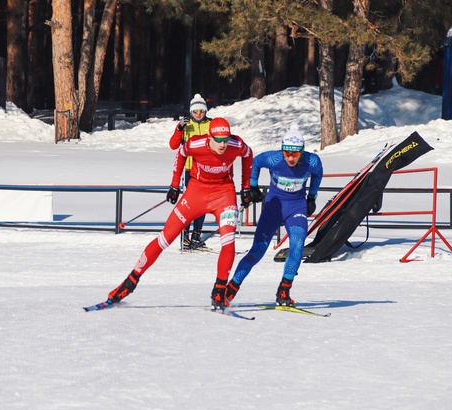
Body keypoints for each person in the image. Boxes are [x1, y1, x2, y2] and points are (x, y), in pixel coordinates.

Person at [107, 117, 254, 308]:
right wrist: (175, 185)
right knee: (165, 238)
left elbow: (248, 155)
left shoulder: (236, 144)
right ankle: (130, 281)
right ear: (209, 136)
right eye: (218, 140)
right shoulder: (196, 144)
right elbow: (180, 153)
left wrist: (246, 187)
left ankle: (219, 289)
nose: (223, 144)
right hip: (196, 193)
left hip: (223, 194)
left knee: (228, 241)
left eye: (225, 139)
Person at [225, 125, 323, 306]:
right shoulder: (274, 158)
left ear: (302, 151)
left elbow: (318, 174)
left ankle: (284, 290)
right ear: (282, 150)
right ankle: (231, 288)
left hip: (296, 208)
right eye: (286, 153)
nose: (290, 158)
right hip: (274, 207)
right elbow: (255, 162)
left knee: (298, 243)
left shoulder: (312, 161)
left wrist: (312, 197)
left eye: (294, 154)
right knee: (258, 250)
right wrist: (252, 186)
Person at [169, 94, 211, 249]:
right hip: (190, 169)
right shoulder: (186, 124)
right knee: (189, 203)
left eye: (201, 111)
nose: (198, 114)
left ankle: (196, 235)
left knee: (203, 203)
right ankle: (185, 235)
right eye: (195, 111)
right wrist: (179, 128)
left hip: (208, 169)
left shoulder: (211, 124)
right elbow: (173, 145)